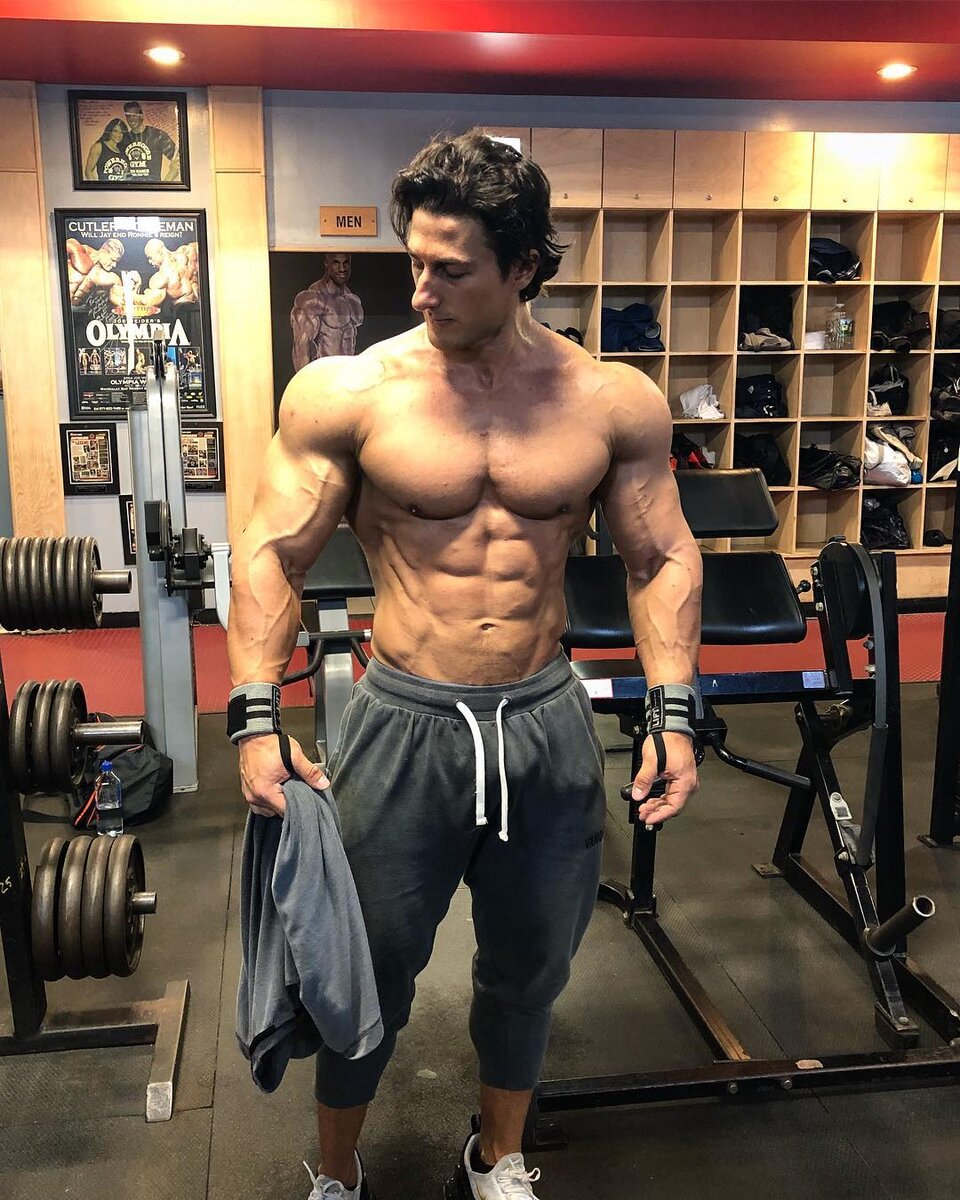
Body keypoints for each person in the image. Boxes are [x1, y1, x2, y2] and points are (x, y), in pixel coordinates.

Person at [227, 131, 702, 1200]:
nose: (421, 290)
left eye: (451, 269)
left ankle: (498, 1157)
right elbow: (270, 553)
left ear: (524, 265)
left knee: (531, 968)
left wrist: (674, 710)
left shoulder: (610, 399)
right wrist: (255, 718)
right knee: (367, 965)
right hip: (404, 723)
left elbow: (663, 555)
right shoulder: (347, 393)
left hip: (543, 720)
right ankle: (337, 1175)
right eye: (415, 263)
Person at [290, 253, 365, 369]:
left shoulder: (353, 300)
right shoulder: (313, 299)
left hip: (348, 373)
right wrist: (305, 379)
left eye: (346, 263)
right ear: (326, 263)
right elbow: (301, 347)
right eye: (336, 263)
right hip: (325, 374)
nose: (342, 268)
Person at [121, 101, 178, 182]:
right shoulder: (123, 138)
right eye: (128, 116)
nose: (131, 119)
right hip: (130, 187)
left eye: (135, 115)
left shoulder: (157, 135)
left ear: (141, 116)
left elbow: (178, 159)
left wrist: (166, 182)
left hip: (152, 186)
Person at [65, 237, 124, 306]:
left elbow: (119, 299)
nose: (114, 265)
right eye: (113, 260)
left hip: (75, 309)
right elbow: (69, 243)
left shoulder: (110, 278)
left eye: (116, 262)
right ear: (103, 252)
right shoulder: (84, 251)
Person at [82, 118, 129, 183]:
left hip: (121, 188)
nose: (118, 135)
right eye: (115, 131)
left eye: (121, 132)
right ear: (110, 131)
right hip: (105, 188)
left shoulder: (123, 149)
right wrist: (97, 187)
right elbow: (88, 171)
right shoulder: (99, 147)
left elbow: (125, 173)